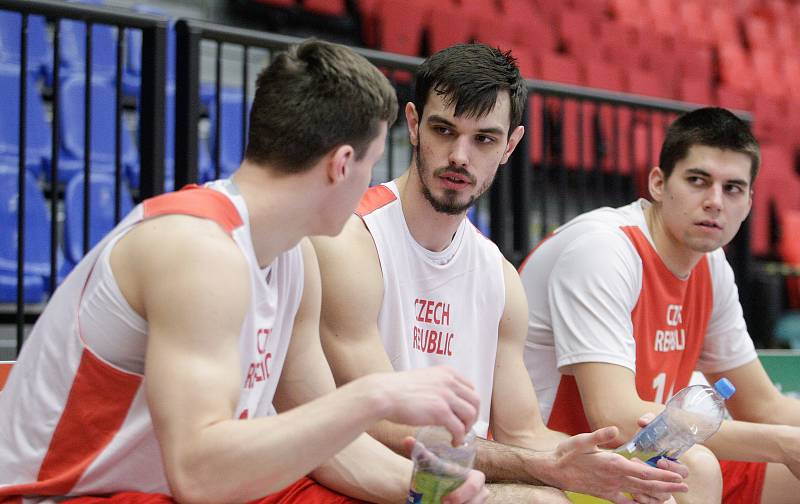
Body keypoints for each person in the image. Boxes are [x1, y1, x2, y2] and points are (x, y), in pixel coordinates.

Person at [0, 39, 488, 504]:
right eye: (373, 163)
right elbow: (199, 472)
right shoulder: (196, 249)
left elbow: (329, 444)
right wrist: (372, 396)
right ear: (342, 164)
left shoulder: (294, 257)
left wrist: (427, 490)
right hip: (66, 493)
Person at [311, 42, 689, 503]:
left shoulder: (499, 276)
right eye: (443, 130)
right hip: (367, 480)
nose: (459, 156)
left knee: (664, 491)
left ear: (510, 145)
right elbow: (380, 425)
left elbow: (522, 430)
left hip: (458, 476)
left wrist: (616, 464)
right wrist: (542, 470)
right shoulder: (354, 241)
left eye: (483, 139)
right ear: (412, 124)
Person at [519, 106, 800, 504]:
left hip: (647, 452)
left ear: (750, 202)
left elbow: (763, 405)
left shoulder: (711, 264)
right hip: (561, 455)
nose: (715, 202)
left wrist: (789, 441)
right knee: (694, 470)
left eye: (732, 188)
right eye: (698, 181)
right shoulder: (604, 249)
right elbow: (615, 415)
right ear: (657, 182)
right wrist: (784, 444)